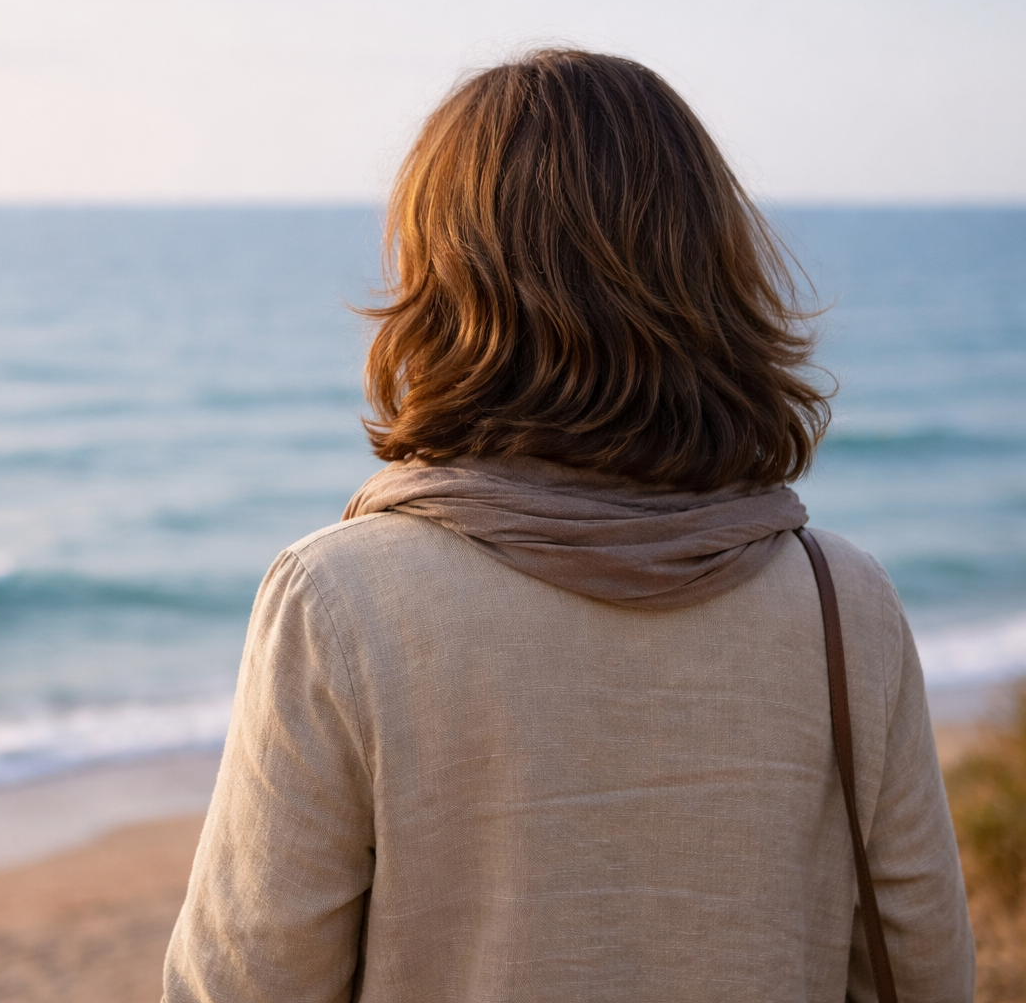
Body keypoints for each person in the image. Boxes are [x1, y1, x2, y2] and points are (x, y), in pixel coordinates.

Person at [162, 49, 973, 1001]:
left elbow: (244, 984)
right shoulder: (844, 601)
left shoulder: (342, 602)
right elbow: (923, 973)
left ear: (445, 283)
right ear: (712, 272)